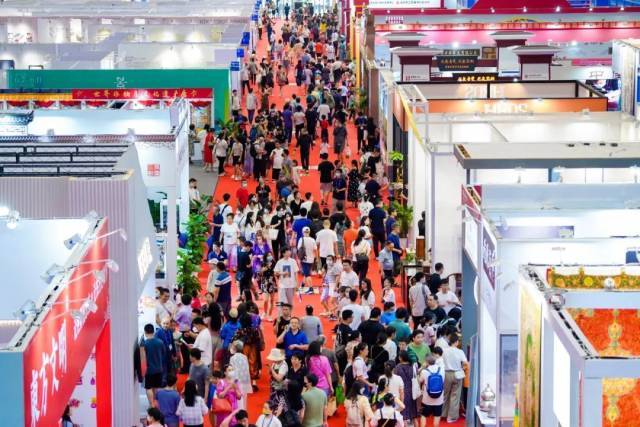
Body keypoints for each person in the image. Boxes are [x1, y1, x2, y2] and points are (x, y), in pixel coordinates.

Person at [442, 335, 467, 424]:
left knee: (445, 394)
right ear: (456, 342)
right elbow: (465, 363)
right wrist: (462, 368)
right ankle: (451, 417)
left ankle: (443, 414)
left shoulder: (444, 351)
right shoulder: (460, 351)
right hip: (457, 374)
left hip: (446, 373)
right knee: (455, 396)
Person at [140, 323, 166, 406]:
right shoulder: (160, 342)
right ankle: (155, 402)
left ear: (145, 332)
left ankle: (151, 404)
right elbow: (163, 353)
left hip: (149, 370)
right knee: (156, 387)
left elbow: (143, 358)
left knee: (148, 387)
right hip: (159, 369)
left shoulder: (145, 344)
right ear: (153, 331)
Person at [419, 356, 445, 427]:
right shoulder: (442, 370)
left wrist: (422, 367)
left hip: (427, 399)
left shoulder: (424, 371)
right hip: (439, 399)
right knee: (437, 416)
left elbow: (420, 380)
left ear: (427, 362)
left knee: (424, 415)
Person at [394, 351, 418, 424]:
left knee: (403, 415)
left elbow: (395, 378)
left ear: (401, 358)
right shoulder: (412, 366)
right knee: (414, 415)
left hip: (402, 391)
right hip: (412, 391)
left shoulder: (398, 367)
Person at [229, 340, 252, 409]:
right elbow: (247, 369)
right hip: (245, 381)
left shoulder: (232, 358)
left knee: (238, 401)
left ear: (235, 348)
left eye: (233, 346)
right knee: (244, 400)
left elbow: (231, 372)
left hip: (237, 382)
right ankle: (244, 412)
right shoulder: (245, 357)